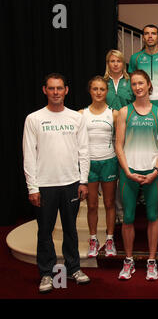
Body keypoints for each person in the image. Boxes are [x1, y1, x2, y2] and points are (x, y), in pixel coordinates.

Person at [23, 73, 91, 293]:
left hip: (72, 183)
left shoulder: (76, 118)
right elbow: (29, 155)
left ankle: (73, 269)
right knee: (45, 231)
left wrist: (84, 180)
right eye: (51, 88)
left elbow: (84, 151)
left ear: (66, 90)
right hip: (44, 185)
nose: (55, 92)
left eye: (59, 88)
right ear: (45, 90)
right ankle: (46, 273)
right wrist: (32, 187)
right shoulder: (33, 119)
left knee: (71, 230)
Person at [115, 69, 158, 281]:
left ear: (148, 85)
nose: (137, 87)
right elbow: (118, 145)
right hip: (129, 172)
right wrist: (127, 171)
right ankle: (128, 261)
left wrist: (156, 171)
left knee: (153, 216)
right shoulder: (125, 112)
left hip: (152, 173)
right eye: (134, 84)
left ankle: (151, 261)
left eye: (141, 83)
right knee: (128, 217)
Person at [128, 24, 158, 205]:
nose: (149, 36)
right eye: (146, 34)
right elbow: (135, 83)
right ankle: (142, 187)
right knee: (143, 146)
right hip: (141, 106)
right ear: (143, 37)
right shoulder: (135, 58)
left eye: (153, 33)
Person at [78, 76, 119, 258]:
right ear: (90, 91)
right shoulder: (81, 114)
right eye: (95, 89)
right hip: (90, 164)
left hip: (109, 162)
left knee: (110, 204)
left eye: (102, 89)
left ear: (107, 91)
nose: (99, 92)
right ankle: (93, 239)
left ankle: (110, 240)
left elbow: (120, 140)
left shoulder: (114, 113)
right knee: (92, 205)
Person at [104, 50, 135, 224]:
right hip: (106, 132)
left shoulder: (130, 82)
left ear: (123, 64)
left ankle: (123, 211)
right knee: (111, 174)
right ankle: (113, 210)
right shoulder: (102, 83)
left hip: (127, 132)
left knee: (125, 171)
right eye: (112, 61)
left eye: (119, 61)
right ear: (108, 63)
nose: (115, 64)